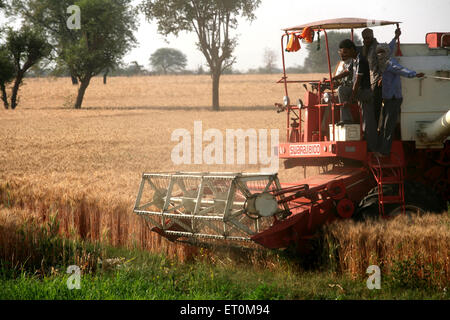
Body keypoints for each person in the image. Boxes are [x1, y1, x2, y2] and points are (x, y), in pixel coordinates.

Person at [375, 43, 424, 156]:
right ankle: (382, 149)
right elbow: (390, 47)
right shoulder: (384, 62)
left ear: (386, 53)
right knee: (383, 125)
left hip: (393, 98)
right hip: (387, 98)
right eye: (378, 52)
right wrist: (395, 37)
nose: (380, 54)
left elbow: (402, 70)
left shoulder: (390, 63)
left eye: (382, 52)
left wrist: (414, 74)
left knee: (388, 126)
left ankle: (385, 151)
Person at [330, 39, 378, 152]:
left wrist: (351, 98)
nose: (343, 55)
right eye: (341, 53)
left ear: (352, 50)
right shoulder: (354, 60)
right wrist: (334, 78)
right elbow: (347, 71)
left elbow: (357, 81)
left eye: (345, 52)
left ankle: (373, 149)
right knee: (341, 89)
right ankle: (347, 119)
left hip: (364, 93)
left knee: (368, 123)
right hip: (359, 92)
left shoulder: (361, 60)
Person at [361, 27, 401, 125]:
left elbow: (386, 61)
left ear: (372, 37)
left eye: (368, 38)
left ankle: (376, 131)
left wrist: (382, 77)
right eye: (365, 38)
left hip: (378, 83)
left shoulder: (377, 47)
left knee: (377, 108)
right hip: (372, 83)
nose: (366, 40)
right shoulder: (367, 48)